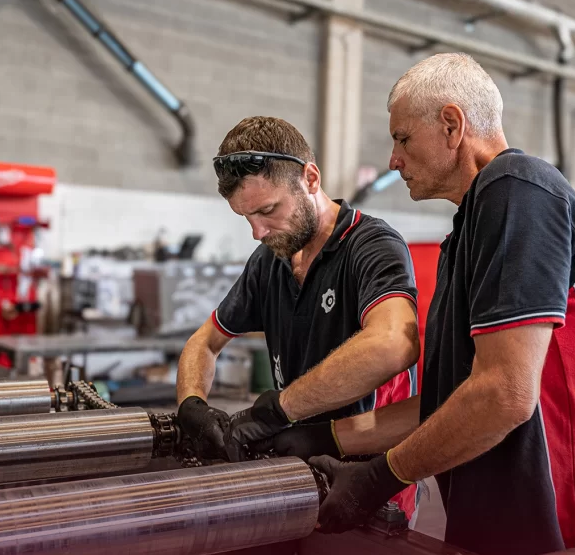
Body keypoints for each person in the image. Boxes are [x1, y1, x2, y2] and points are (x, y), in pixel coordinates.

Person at [299, 54, 575, 555]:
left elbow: (503, 394)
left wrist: (380, 477)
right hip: (496, 519)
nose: (393, 160)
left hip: (562, 530)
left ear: (452, 125)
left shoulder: (518, 190)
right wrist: (319, 437)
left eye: (402, 138)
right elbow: (445, 403)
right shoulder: (470, 228)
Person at [175, 117, 421, 518]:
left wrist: (278, 410)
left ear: (310, 178)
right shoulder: (269, 260)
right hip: (298, 471)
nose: (257, 231)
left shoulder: (370, 246)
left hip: (368, 479)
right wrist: (192, 404)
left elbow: (394, 343)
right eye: (246, 217)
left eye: (268, 210)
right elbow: (205, 341)